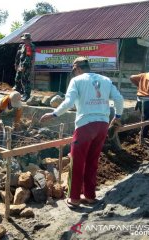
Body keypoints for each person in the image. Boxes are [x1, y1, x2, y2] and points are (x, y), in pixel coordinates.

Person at [40, 57, 124, 208]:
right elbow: (119, 99)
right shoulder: (105, 80)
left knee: (77, 162)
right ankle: (90, 196)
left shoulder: (77, 81)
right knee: (92, 161)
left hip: (85, 125)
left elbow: (69, 102)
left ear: (77, 69)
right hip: (102, 125)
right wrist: (117, 117)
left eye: (74, 71)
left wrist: (54, 114)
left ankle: (74, 198)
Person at [14, 33, 35, 102]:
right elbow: (19, 56)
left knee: (26, 80)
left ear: (28, 39)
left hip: (26, 66)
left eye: (25, 39)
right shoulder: (23, 46)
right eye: (24, 39)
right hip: (21, 65)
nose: (24, 41)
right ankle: (17, 94)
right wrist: (17, 65)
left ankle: (27, 95)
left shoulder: (30, 46)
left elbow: (28, 58)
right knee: (18, 79)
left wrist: (24, 67)